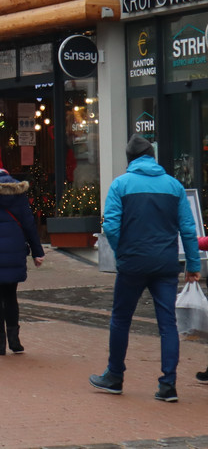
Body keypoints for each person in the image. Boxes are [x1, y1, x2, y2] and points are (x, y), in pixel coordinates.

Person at [90, 134, 200, 402]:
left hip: (132, 263)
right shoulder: (173, 187)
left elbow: (111, 227)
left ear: (130, 159)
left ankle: (114, 376)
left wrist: (122, 253)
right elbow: (188, 228)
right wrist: (193, 265)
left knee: (120, 319)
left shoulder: (121, 185)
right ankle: (168, 384)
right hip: (165, 264)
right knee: (167, 324)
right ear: (152, 157)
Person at [0, 143, 45, 355]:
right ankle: (15, 341)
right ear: (1, 163)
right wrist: (37, 251)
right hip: (14, 248)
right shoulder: (17, 188)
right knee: (11, 295)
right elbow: (28, 222)